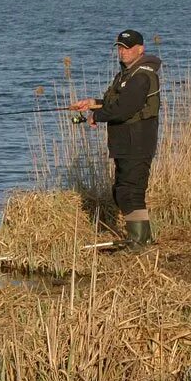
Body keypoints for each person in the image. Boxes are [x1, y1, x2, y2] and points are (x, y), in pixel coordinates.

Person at [70, 29, 161, 250]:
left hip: (138, 141)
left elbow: (124, 109)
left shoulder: (141, 76)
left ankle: (139, 243)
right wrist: (93, 102)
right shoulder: (126, 74)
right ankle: (139, 239)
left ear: (140, 49)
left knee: (131, 191)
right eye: (120, 47)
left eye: (127, 47)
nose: (123, 52)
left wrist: (96, 116)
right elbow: (116, 102)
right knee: (122, 190)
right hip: (124, 142)